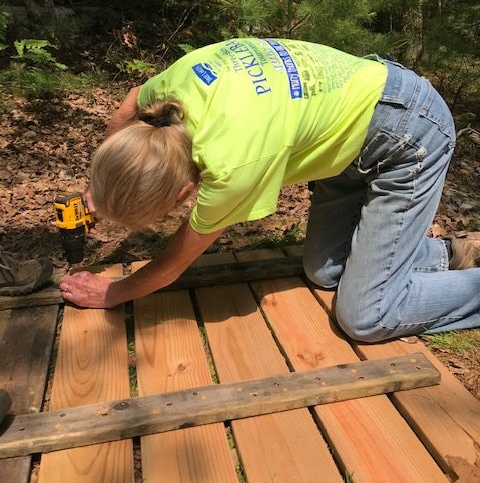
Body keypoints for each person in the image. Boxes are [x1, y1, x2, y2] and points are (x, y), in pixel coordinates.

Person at [59, 38, 480, 341]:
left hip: (409, 132)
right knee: (326, 272)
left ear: (183, 191)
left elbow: (173, 263)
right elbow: (129, 103)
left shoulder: (232, 165)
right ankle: (451, 253)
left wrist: (114, 292)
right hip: (349, 135)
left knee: (367, 316)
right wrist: (104, 186)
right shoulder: (171, 97)